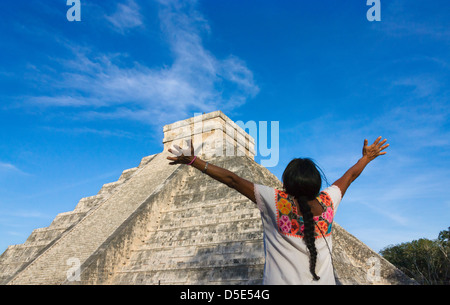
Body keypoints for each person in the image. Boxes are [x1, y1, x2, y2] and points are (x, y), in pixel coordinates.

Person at [167, 136, 389, 285]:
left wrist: (194, 161)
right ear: (317, 183)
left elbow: (233, 180)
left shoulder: (276, 201)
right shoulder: (328, 202)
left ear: (286, 183)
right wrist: (367, 157)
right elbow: (349, 176)